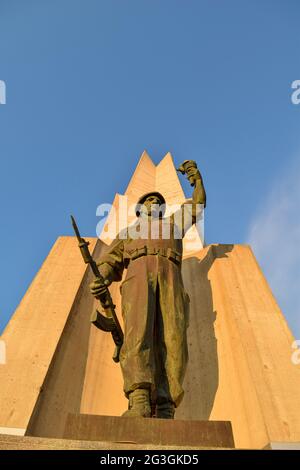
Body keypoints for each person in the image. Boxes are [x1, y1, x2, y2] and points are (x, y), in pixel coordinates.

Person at [90, 160, 206, 418]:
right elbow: (111, 260)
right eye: (149, 200)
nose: (154, 202)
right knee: (137, 334)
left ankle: (166, 403)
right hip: (138, 275)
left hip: (170, 276)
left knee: (173, 339)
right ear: (141, 208)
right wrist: (102, 278)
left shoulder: (174, 224)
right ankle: (139, 398)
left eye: (157, 201)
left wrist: (195, 179)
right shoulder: (129, 231)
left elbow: (197, 205)